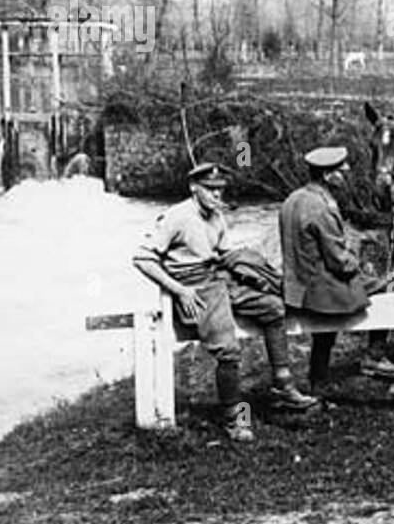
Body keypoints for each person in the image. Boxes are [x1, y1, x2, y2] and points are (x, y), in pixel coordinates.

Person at [133, 162, 317, 444]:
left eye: (221, 190)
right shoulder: (176, 217)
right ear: (194, 189)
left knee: (273, 308)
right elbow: (143, 258)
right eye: (211, 190)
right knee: (228, 350)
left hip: (219, 278)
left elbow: (223, 250)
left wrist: (249, 265)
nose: (218, 196)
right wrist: (179, 290)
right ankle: (234, 418)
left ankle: (283, 385)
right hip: (196, 288)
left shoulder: (216, 216)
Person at [279, 146, 394, 391]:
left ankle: (319, 380)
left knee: (324, 333)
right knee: (391, 283)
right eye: (341, 170)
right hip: (320, 291)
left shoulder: (292, 199)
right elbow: (340, 263)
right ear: (327, 176)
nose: (346, 173)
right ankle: (375, 356)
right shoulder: (322, 207)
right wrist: (359, 261)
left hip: (296, 287)